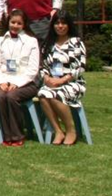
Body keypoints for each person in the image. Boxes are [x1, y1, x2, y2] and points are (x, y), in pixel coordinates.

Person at [0, 9, 40, 146]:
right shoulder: (0, 40)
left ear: (24, 25)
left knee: (12, 96)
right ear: (8, 22)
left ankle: (17, 135)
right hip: (3, 81)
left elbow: (33, 69)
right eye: (13, 22)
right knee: (0, 96)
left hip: (26, 83)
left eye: (19, 23)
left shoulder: (31, 41)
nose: (15, 26)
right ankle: (7, 136)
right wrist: (1, 82)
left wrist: (17, 83)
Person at [38, 10, 86, 146]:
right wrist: (46, 78)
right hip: (52, 82)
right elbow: (42, 67)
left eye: (63, 23)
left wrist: (63, 80)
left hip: (73, 83)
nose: (60, 26)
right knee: (42, 94)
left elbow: (81, 67)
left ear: (69, 25)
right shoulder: (48, 44)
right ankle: (58, 131)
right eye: (57, 23)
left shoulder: (76, 42)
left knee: (56, 95)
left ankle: (71, 130)